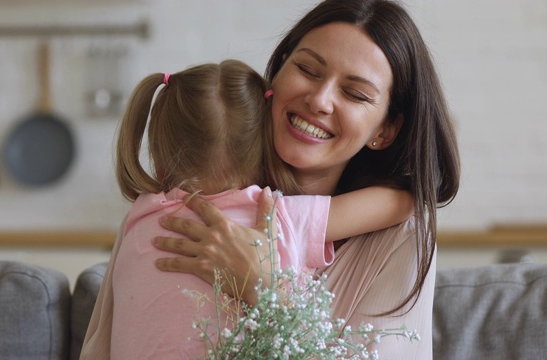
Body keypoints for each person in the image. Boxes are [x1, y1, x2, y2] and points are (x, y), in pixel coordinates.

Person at [149, 0, 460, 359]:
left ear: (385, 130)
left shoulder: (400, 240)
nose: (320, 100)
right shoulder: (185, 202)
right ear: (279, 70)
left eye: (355, 94)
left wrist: (267, 292)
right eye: (308, 70)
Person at [102, 59, 413, 359]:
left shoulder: (141, 216)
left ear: (158, 156)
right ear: (266, 153)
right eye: (307, 69)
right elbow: (400, 203)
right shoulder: (272, 216)